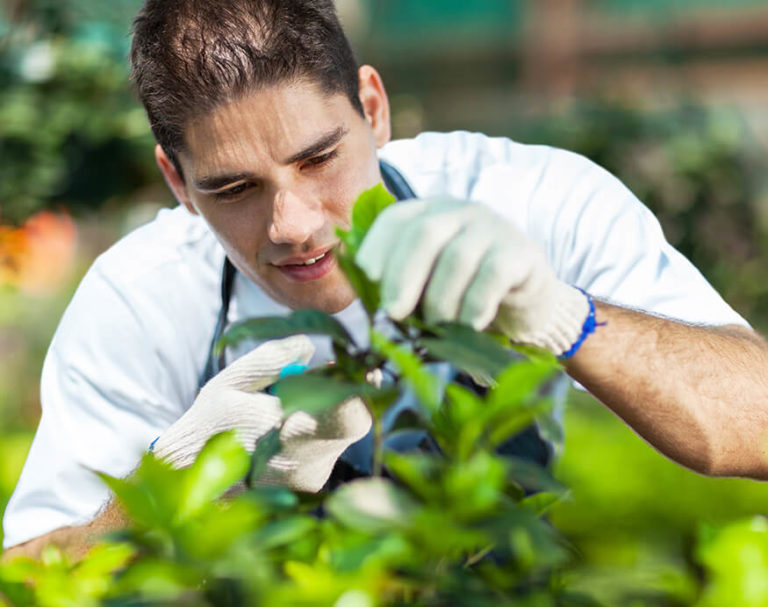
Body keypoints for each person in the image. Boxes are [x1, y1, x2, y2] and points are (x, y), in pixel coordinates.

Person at [4, 0, 768, 560]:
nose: (294, 224)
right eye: (234, 190)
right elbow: (26, 578)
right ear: (176, 179)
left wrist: (566, 317)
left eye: (319, 158)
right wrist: (178, 495)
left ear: (373, 108)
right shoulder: (138, 299)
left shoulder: (536, 198)